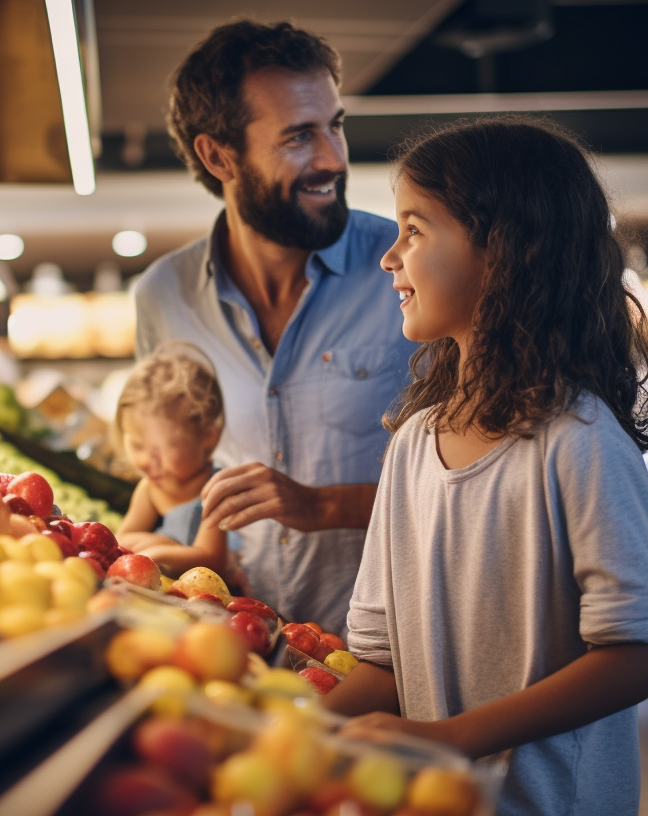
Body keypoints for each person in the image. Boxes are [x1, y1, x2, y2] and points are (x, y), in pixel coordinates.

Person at [325, 118, 648, 816]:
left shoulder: (578, 440)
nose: (389, 257)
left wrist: (449, 738)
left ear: (506, 250)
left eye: (415, 230)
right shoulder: (413, 444)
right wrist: (292, 728)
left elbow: (630, 659)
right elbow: (382, 661)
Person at [133, 21, 415, 637]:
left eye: (335, 125)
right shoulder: (163, 297)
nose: (332, 158)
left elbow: (475, 483)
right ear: (218, 156)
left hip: (398, 656)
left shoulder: (407, 270)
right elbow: (167, 470)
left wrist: (320, 505)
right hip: (245, 648)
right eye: (298, 136)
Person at [114, 343, 235, 582]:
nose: (146, 462)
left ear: (207, 437)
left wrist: (160, 550)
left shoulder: (216, 490)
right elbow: (121, 540)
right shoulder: (150, 489)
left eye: (163, 450)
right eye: (137, 446)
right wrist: (153, 545)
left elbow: (212, 559)